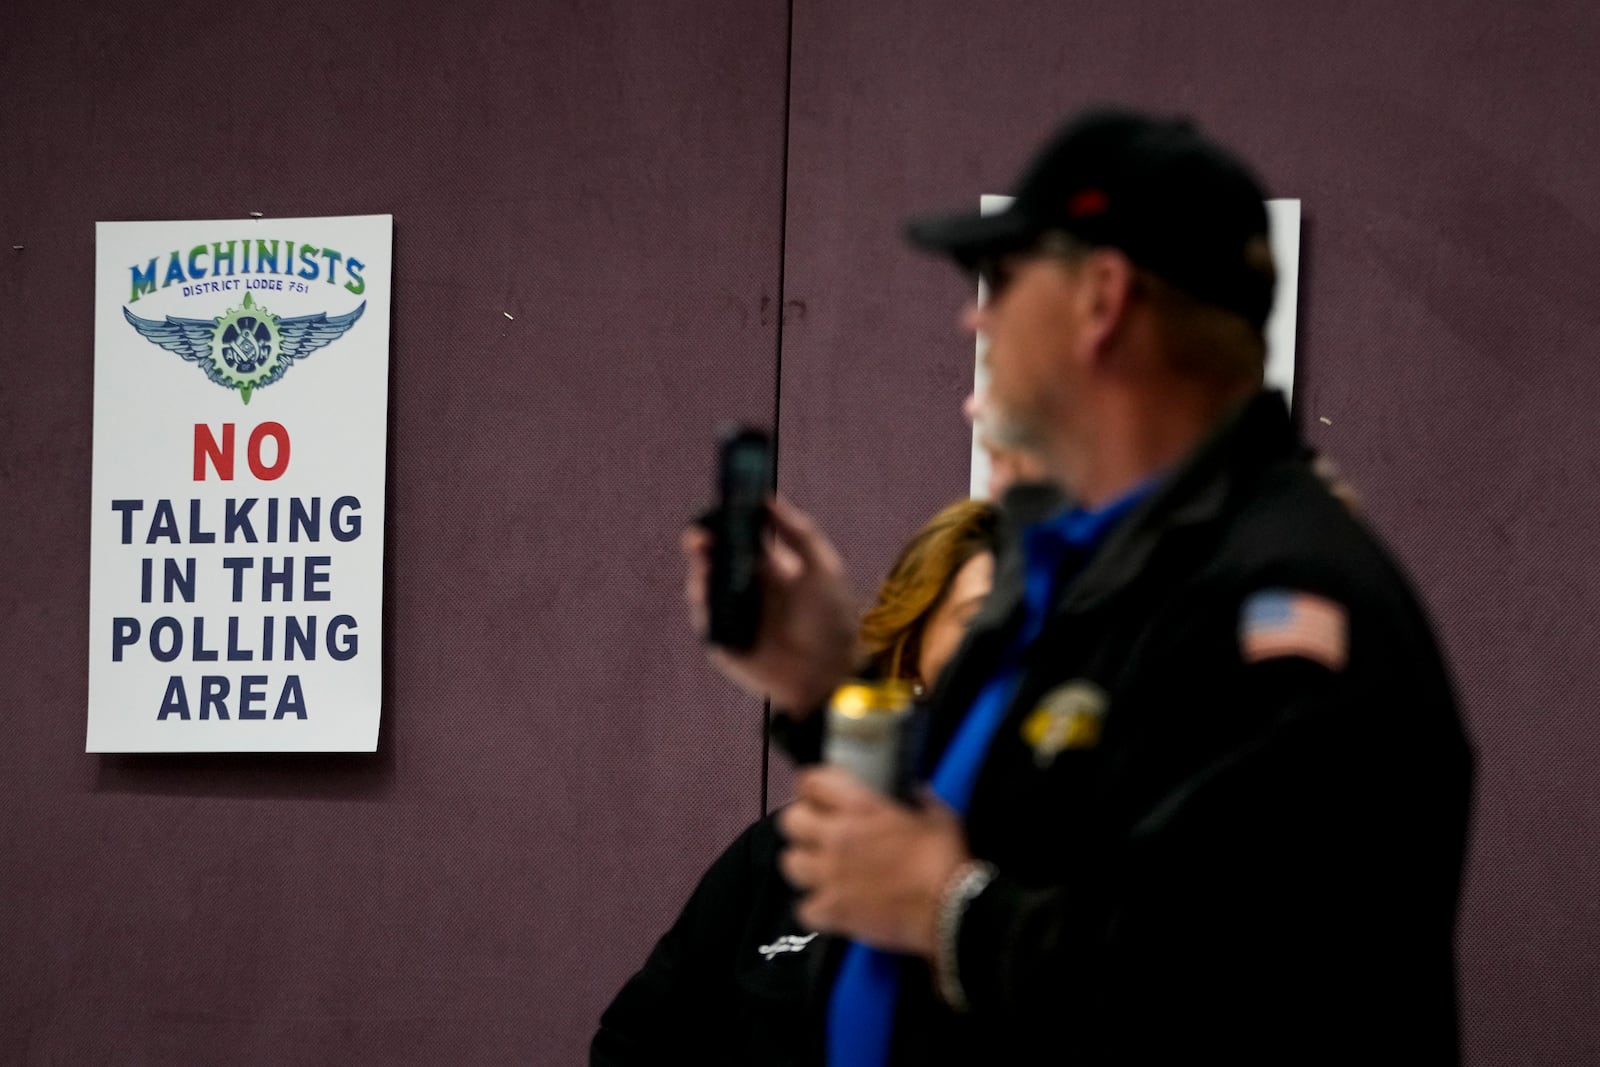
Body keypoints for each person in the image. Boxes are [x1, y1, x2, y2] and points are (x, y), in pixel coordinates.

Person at [686, 108, 1473, 1065]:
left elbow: (1230, 991)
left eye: (1004, 281)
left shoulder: (1281, 595)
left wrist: (950, 913)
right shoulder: (1068, 571)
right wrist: (825, 683)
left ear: (1102, 301)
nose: (974, 315)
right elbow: (963, 829)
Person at [592, 499, 1004, 1066]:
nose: (1020, 653)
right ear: (911, 656)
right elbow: (632, 1045)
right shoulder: (779, 853)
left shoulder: (1084, 870)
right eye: (987, 616)